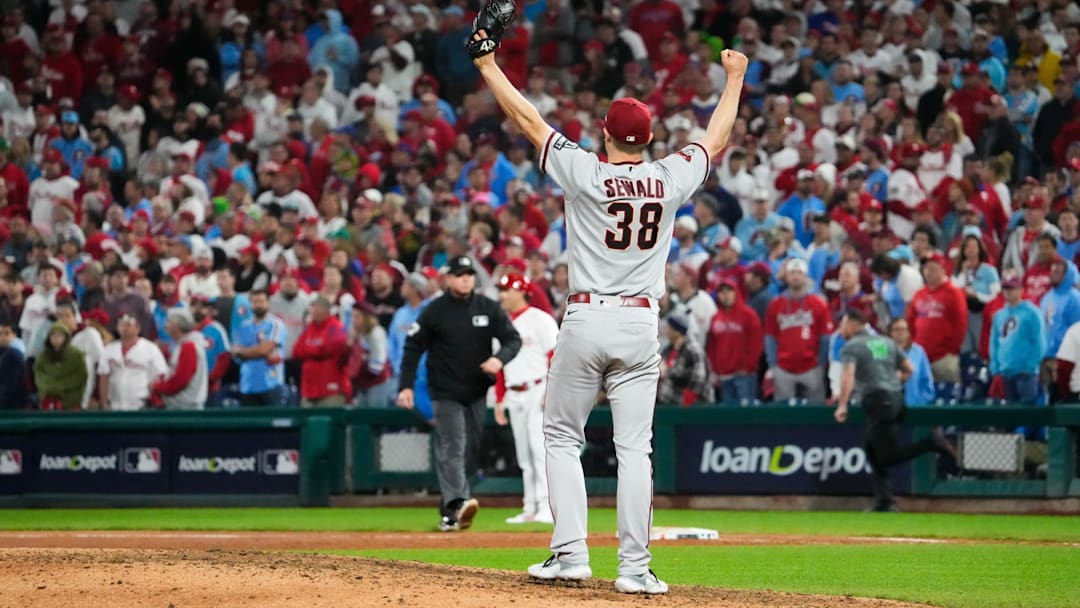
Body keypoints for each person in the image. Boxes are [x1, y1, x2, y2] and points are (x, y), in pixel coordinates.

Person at [467, 21, 747, 593]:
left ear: (605, 134)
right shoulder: (669, 177)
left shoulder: (587, 171)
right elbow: (715, 139)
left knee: (563, 437)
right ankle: (635, 570)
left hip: (587, 316)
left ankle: (570, 555)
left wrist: (489, 66)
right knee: (634, 450)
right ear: (649, 138)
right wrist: (735, 78)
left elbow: (528, 120)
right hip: (641, 322)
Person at [397, 255, 521, 532]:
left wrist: (499, 359)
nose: (466, 278)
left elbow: (513, 339)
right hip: (445, 391)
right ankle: (457, 502)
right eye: (460, 274)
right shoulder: (434, 310)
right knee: (453, 444)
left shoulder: (487, 307)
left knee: (469, 451)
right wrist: (405, 385)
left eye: (470, 274)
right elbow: (413, 346)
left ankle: (449, 512)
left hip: (476, 390)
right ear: (448, 278)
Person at [833, 310, 957, 512]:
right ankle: (884, 500)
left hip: (878, 400)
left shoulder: (852, 346)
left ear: (853, 324)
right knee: (872, 451)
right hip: (896, 399)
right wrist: (892, 386)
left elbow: (848, 375)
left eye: (843, 324)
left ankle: (931, 443)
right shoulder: (885, 342)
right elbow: (909, 368)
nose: (841, 329)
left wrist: (842, 404)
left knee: (886, 456)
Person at [493, 272, 558, 525]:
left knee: (538, 449)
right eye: (502, 290)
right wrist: (500, 398)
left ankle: (546, 506)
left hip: (538, 389)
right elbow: (499, 363)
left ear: (522, 291)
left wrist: (552, 390)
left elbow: (556, 354)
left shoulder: (540, 319)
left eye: (507, 290)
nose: (502, 295)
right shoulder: (502, 323)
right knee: (524, 454)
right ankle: (530, 506)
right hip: (514, 391)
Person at [764, 258, 833, 403]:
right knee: (783, 412)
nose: (796, 276)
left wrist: (820, 363)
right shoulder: (776, 304)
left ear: (805, 277)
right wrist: (773, 365)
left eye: (799, 273)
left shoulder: (818, 304)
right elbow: (770, 337)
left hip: (811, 366)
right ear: (787, 277)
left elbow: (825, 337)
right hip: (783, 366)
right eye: (792, 273)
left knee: (815, 410)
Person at [906, 253, 968, 384]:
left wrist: (951, 350)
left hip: (944, 357)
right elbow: (910, 322)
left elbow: (960, 324)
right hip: (921, 357)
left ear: (943, 269)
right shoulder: (919, 294)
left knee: (948, 395)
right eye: (926, 269)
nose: (928, 272)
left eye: (933, 268)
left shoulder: (954, 292)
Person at [705, 278, 762, 405]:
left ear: (736, 292)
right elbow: (712, 345)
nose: (726, 295)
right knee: (728, 416)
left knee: (747, 414)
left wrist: (748, 366)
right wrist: (715, 368)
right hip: (724, 375)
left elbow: (756, 343)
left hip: (744, 375)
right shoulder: (716, 317)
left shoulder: (749, 315)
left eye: (729, 291)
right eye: (722, 292)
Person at [991, 277, 1046, 404]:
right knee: (1009, 416)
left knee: (1028, 415)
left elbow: (1039, 341)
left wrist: (1030, 366)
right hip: (1005, 371)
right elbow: (994, 343)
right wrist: (995, 368)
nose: (1008, 292)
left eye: (1011, 288)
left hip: (1025, 373)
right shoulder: (999, 315)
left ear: (1020, 290)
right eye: (1005, 288)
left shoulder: (1031, 312)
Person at [97, 312, 168, 411]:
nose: (124, 328)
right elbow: (103, 376)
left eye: (128, 325)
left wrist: (154, 398)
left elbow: (161, 374)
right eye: (121, 325)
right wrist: (104, 402)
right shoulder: (109, 349)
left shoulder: (150, 348)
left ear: (138, 328)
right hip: (115, 405)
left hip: (142, 405)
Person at [232, 289, 287, 407]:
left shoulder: (276, 324)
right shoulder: (243, 326)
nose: (258, 305)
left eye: (262, 301)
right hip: (247, 384)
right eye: (255, 302)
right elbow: (235, 353)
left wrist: (245, 352)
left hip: (271, 383)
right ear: (250, 304)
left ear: (268, 303)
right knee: (250, 424)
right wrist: (258, 351)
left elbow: (264, 350)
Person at [292, 296, 350, 407]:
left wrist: (309, 350)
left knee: (330, 421)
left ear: (326, 310)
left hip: (331, 388)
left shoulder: (337, 326)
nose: (313, 312)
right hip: (309, 388)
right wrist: (316, 350)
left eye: (317, 308)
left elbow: (330, 348)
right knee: (307, 422)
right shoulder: (310, 328)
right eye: (312, 309)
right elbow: (296, 351)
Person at [152, 308, 208, 410]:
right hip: (181, 406)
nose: (165, 326)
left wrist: (158, 387)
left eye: (169, 321)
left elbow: (181, 380)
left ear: (177, 325)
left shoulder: (189, 347)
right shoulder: (183, 345)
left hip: (186, 408)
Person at [658, 308, 714, 406]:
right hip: (670, 403)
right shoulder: (668, 350)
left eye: (669, 327)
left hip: (693, 407)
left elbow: (699, 378)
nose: (666, 330)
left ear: (677, 331)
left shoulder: (693, 349)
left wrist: (687, 403)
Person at [34, 322, 88, 411]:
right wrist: (49, 387)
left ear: (66, 337)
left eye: (60, 335)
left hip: (71, 401)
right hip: (48, 400)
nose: (56, 338)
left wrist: (60, 387)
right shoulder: (43, 356)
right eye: (53, 335)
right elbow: (39, 374)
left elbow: (80, 376)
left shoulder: (76, 355)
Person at [888, 318, 935, 407]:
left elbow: (927, 380)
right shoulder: (883, 349)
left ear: (908, 332)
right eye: (896, 329)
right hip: (889, 406)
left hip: (914, 405)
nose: (900, 332)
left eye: (903, 329)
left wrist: (921, 401)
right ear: (890, 332)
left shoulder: (918, 351)